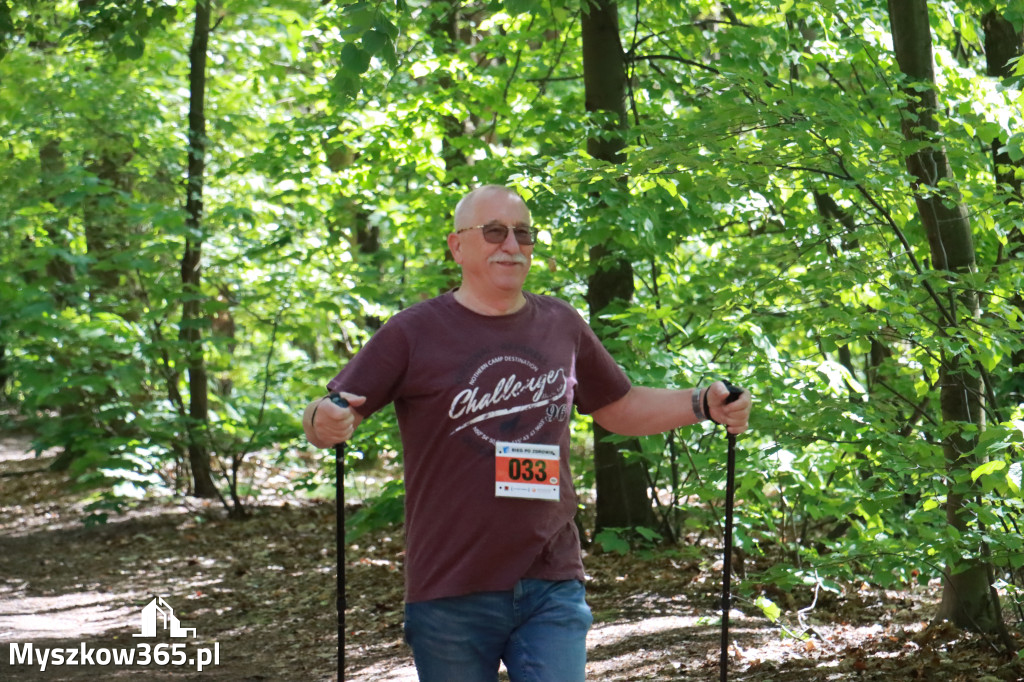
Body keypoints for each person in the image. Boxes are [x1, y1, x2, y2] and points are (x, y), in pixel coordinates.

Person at [303, 185, 752, 682]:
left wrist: (701, 405)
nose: (511, 245)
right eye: (493, 232)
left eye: (524, 234)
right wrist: (322, 420)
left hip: (550, 579)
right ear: (457, 246)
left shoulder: (560, 323)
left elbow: (618, 406)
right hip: (450, 584)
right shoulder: (414, 332)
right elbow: (333, 414)